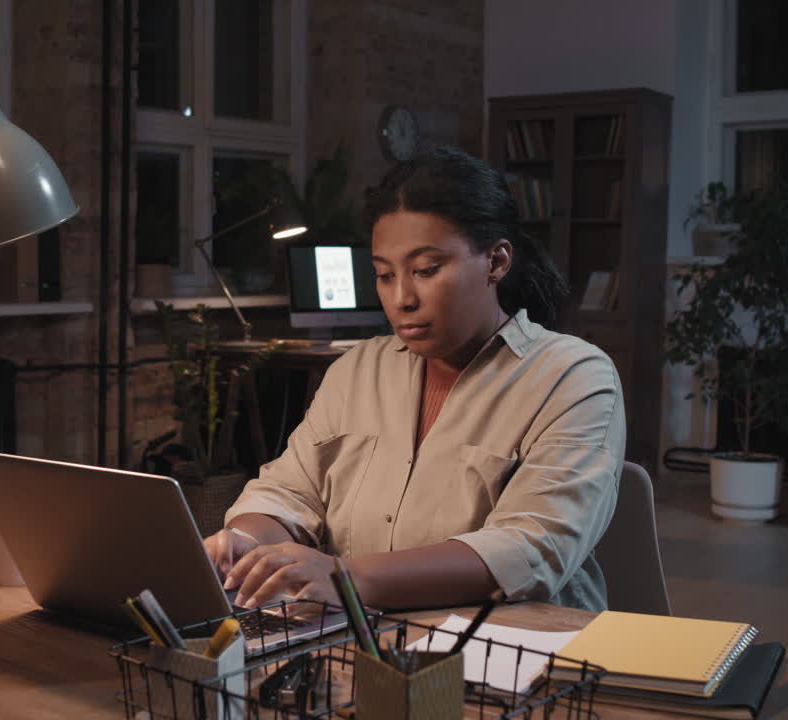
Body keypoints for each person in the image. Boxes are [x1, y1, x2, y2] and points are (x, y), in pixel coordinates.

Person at [203, 147, 624, 613]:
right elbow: (288, 491)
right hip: (364, 633)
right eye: (384, 275)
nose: (401, 298)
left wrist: (347, 580)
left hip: (510, 640)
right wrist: (246, 544)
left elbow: (530, 547)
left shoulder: (572, 377)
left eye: (425, 271)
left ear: (496, 261)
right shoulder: (357, 371)